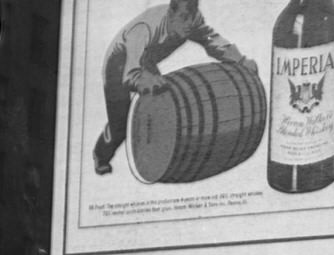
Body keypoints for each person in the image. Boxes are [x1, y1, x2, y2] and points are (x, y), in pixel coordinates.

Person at [93, 0, 258, 176]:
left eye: (192, 17)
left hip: (146, 60)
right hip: (118, 65)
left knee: (161, 111)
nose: (189, 25)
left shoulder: (192, 19)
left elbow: (211, 40)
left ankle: (152, 157)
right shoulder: (144, 28)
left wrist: (239, 60)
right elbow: (131, 72)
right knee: (120, 124)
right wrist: (143, 80)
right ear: (171, 14)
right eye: (184, 18)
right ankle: (100, 155)